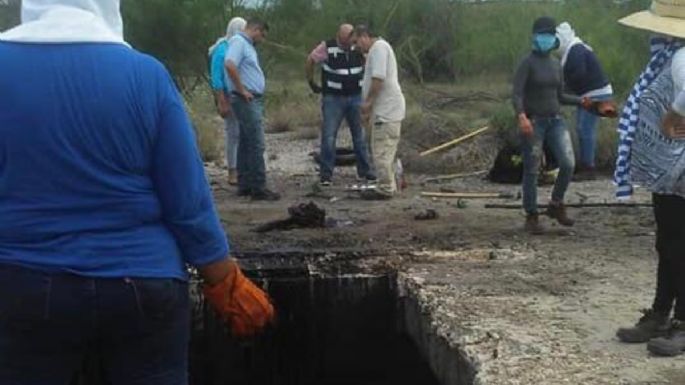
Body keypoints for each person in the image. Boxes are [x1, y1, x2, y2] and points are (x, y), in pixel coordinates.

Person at [0, 1, 273, 384]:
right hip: (143, 286)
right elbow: (186, 197)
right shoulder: (145, 74)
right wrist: (222, 278)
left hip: (25, 283)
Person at [613, 0, 685, 357]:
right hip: (669, 172)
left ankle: (680, 323)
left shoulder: (682, 56)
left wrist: (674, 114)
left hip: (678, 170)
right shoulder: (673, 56)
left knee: (677, 245)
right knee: (668, 243)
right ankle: (660, 313)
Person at [512, 16, 592, 234]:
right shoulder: (527, 63)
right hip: (534, 121)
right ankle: (531, 214)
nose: (545, 39)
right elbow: (517, 93)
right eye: (542, 34)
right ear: (534, 36)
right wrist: (522, 116)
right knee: (531, 169)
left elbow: (560, 96)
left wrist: (580, 101)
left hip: (555, 120)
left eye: (549, 34)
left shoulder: (556, 64)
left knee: (568, 163)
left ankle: (556, 204)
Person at [305, 23, 375, 187]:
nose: (348, 44)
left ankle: (365, 171)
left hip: (355, 97)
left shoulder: (357, 47)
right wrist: (311, 82)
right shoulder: (327, 47)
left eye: (350, 40)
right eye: (344, 41)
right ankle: (326, 175)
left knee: (359, 136)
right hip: (333, 98)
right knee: (329, 136)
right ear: (338, 36)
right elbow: (310, 60)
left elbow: (368, 62)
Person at [225, 18, 280, 201]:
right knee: (256, 142)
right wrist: (242, 89)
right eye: (262, 35)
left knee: (246, 141)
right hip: (245, 99)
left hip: (248, 97)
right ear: (256, 29)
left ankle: (245, 183)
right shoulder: (239, 42)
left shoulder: (245, 45)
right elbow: (230, 64)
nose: (262, 39)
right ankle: (258, 185)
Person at [556, 21, 616, 180]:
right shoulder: (576, 48)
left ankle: (588, 168)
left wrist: (565, 88)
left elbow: (579, 74)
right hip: (594, 92)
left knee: (585, 129)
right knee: (584, 128)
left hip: (595, 94)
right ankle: (585, 165)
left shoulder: (575, 50)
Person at [352, 24, 405, 199]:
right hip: (384, 110)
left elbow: (378, 78)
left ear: (364, 36)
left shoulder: (379, 48)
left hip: (387, 111)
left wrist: (368, 103)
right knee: (384, 150)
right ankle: (390, 183)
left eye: (356, 42)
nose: (356, 47)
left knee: (382, 151)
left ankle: (385, 188)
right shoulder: (376, 50)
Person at [209, 17, 246, 185]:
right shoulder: (221, 50)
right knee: (233, 133)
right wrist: (221, 100)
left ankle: (243, 167)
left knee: (243, 133)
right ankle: (232, 170)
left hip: (242, 94)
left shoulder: (239, 47)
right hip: (228, 94)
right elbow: (216, 77)